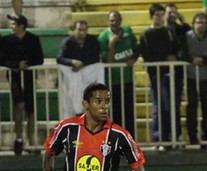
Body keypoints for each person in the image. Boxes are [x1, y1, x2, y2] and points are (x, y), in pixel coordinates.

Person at [0, 14, 44, 155]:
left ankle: (31, 140)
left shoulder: (33, 39)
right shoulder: (6, 40)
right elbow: (2, 59)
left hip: (29, 77)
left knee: (30, 109)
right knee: (19, 105)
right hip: (15, 77)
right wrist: (16, 65)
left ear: (21, 26)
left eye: (13, 24)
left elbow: (40, 59)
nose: (11, 26)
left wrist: (28, 65)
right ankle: (19, 138)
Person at [140, 3, 180, 146]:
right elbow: (147, 56)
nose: (160, 17)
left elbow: (176, 49)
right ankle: (159, 138)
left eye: (162, 14)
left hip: (172, 74)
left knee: (173, 106)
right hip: (157, 75)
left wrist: (174, 58)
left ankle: (173, 136)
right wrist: (164, 59)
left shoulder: (169, 31)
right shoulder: (146, 34)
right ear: (152, 16)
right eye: (157, 15)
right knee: (160, 107)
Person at [98, 10, 140, 138]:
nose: (114, 23)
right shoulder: (103, 37)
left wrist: (133, 59)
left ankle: (130, 139)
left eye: (116, 20)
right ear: (108, 22)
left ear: (120, 21)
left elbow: (137, 49)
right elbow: (108, 62)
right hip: (112, 81)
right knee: (114, 112)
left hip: (128, 79)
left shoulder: (128, 31)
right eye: (111, 20)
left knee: (129, 111)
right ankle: (115, 139)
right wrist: (111, 44)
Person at [181, 12, 207, 145]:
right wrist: (192, 59)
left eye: (203, 23)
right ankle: (192, 136)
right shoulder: (187, 36)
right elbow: (183, 54)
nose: (200, 25)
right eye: (197, 22)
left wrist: (203, 60)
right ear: (193, 24)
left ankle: (206, 136)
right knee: (191, 105)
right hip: (191, 76)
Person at [57, 20, 103, 119]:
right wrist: (72, 62)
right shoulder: (68, 42)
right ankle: (77, 112)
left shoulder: (92, 40)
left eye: (84, 30)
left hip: (89, 73)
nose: (82, 32)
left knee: (100, 67)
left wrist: (82, 64)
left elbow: (96, 57)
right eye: (79, 30)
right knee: (75, 81)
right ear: (75, 30)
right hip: (72, 74)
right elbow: (60, 58)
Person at [164, 3, 192, 142]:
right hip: (162, 73)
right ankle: (165, 136)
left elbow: (190, 33)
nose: (171, 15)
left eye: (174, 12)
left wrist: (183, 20)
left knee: (176, 104)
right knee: (164, 106)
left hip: (178, 72)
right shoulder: (161, 29)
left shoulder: (181, 29)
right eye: (169, 13)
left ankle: (177, 135)